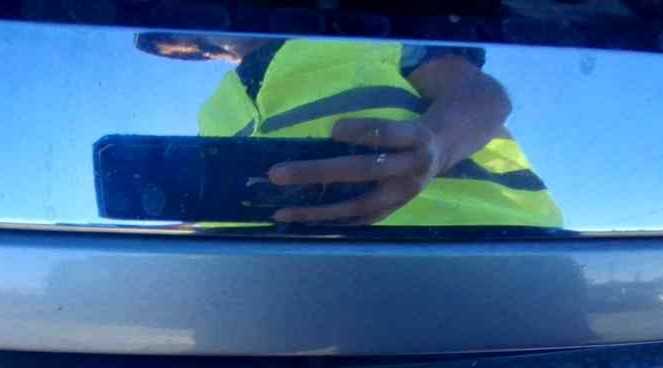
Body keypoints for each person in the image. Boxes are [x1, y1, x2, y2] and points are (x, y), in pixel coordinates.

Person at [136, 34, 563, 227]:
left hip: (486, 247)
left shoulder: (370, 34)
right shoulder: (214, 110)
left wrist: (436, 145)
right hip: (278, 294)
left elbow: (482, 95)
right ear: (189, 48)